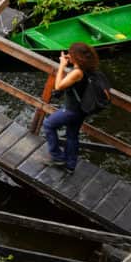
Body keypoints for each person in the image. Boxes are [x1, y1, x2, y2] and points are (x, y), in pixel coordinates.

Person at [43, 42, 100, 175]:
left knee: (48, 124)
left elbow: (59, 86)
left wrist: (62, 65)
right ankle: (70, 165)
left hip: (71, 110)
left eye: (71, 53)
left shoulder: (77, 72)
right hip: (81, 110)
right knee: (72, 136)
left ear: (76, 57)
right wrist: (71, 62)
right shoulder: (87, 68)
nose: (68, 55)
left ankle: (58, 157)